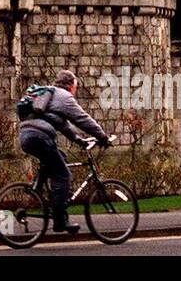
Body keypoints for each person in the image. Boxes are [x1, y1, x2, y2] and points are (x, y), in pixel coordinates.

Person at [18, 69, 111, 234]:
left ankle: (38, 187)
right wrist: (102, 136)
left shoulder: (50, 96)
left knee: (60, 156)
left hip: (26, 136)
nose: (75, 90)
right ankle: (60, 221)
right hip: (41, 136)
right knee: (63, 175)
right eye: (75, 87)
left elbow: (63, 125)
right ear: (70, 85)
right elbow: (82, 119)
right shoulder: (64, 96)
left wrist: (79, 141)